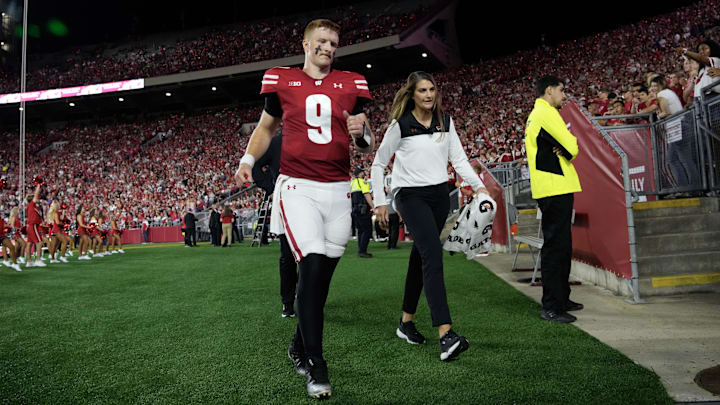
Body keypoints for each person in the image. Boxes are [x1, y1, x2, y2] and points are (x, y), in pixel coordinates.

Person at [234, 18, 374, 399]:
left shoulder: (351, 83)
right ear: (306, 44)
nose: (328, 47)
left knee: (320, 281)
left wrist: (363, 136)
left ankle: (298, 344)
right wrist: (247, 160)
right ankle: (315, 362)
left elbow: (365, 139)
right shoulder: (281, 80)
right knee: (310, 263)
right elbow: (266, 127)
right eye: (322, 41)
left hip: (339, 189)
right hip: (297, 187)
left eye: (334, 42)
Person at [370, 71, 488, 361]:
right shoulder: (400, 125)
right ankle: (446, 334)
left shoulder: (445, 122)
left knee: (420, 258)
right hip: (409, 196)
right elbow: (378, 163)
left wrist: (480, 186)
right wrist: (381, 202)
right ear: (412, 94)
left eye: (432, 89)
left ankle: (406, 323)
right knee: (432, 254)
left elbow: (458, 158)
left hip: (438, 196)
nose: (428, 94)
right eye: (422, 90)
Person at [525, 75, 583, 323]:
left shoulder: (537, 113)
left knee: (561, 246)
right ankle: (551, 306)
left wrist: (564, 147)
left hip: (552, 186)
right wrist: (568, 146)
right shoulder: (546, 113)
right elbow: (572, 146)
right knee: (555, 248)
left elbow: (565, 146)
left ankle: (561, 298)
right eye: (561, 90)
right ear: (549, 91)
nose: (564, 95)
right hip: (554, 187)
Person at [350, 167, 374, 258]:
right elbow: (366, 194)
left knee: (360, 231)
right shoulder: (362, 182)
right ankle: (363, 251)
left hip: (355, 210)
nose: (364, 173)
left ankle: (360, 250)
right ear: (360, 174)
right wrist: (373, 206)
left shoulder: (352, 183)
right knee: (367, 230)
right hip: (363, 210)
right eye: (362, 172)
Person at [25, 184, 47, 267]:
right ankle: (38, 260)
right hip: (33, 225)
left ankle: (29, 261)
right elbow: (36, 194)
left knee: (29, 243)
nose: (37, 198)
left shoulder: (34, 207)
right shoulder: (31, 204)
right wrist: (38, 185)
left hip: (32, 225)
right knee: (39, 242)